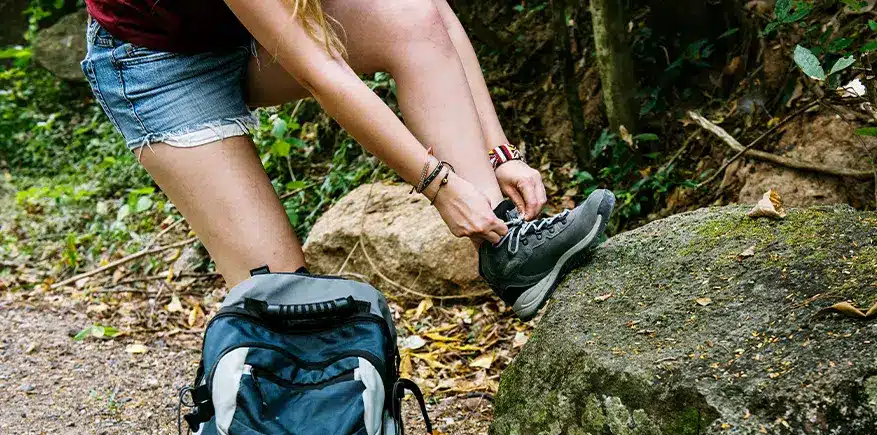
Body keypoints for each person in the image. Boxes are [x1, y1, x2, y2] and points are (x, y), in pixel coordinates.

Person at [79, 0, 615, 320]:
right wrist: (437, 183)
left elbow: (435, 17)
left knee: (411, 14)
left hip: (251, 31)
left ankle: (509, 242)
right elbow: (322, 72)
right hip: (158, 65)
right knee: (283, 302)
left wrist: (497, 155)